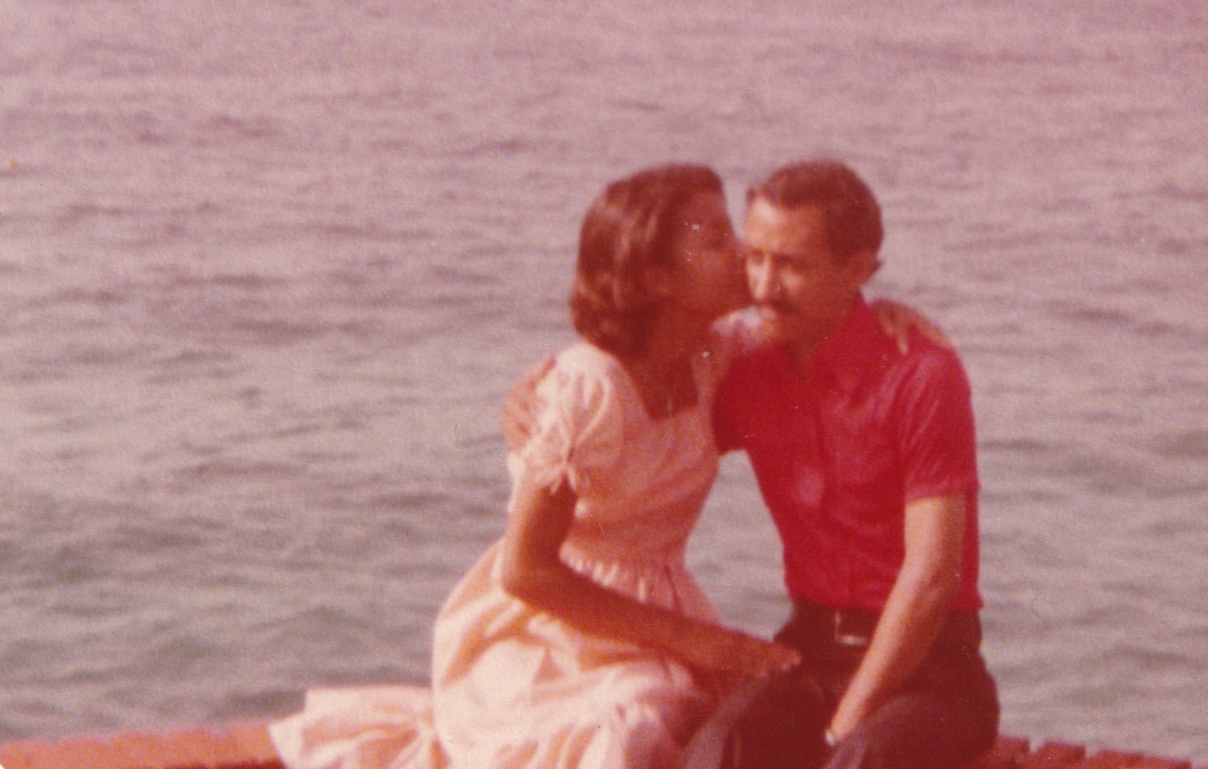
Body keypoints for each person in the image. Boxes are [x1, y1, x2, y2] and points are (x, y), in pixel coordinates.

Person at [271, 164, 799, 769]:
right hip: (554, 628)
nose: (745, 254)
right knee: (629, 723)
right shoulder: (590, 388)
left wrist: (894, 322)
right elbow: (525, 571)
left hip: (663, 614)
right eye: (716, 241)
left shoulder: (718, 352)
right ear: (656, 277)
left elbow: (823, 335)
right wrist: (701, 642)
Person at [679, 159, 999, 769]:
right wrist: (553, 388)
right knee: (716, 753)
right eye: (757, 256)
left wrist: (846, 722)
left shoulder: (920, 373)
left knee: (861, 760)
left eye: (792, 264)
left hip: (933, 672)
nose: (765, 284)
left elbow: (932, 580)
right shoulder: (746, 374)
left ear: (857, 269)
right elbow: (647, 431)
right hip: (809, 652)